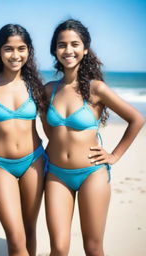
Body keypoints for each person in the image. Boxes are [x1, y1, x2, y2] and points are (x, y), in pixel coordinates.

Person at [42, 19, 145, 256]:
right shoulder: (49, 90)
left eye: (75, 44)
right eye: (61, 45)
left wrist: (114, 155)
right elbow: (49, 130)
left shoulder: (95, 88)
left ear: (85, 48)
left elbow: (136, 119)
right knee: (58, 248)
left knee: (93, 247)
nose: (68, 50)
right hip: (56, 174)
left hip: (92, 173)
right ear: (55, 50)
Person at [0, 24, 47, 256]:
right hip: (1, 166)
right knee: (16, 239)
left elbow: (53, 127)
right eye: (8, 49)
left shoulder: (35, 87)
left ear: (29, 51)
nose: (15, 55)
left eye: (21, 49)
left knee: (29, 230)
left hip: (34, 162)